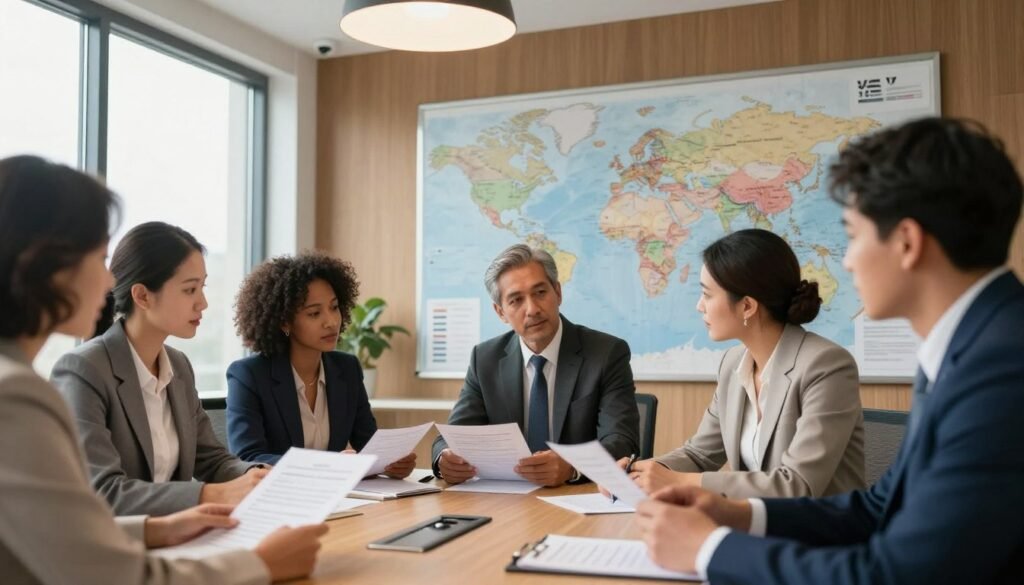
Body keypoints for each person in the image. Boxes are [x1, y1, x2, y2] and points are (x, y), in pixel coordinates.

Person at [635, 118, 1024, 585]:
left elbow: (898, 574)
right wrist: (736, 515)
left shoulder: (1002, 369)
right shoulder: (967, 347)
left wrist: (709, 548)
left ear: (906, 242)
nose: (846, 259)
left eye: (855, 235)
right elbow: (882, 506)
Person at [0, 154, 326, 584]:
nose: (106, 280)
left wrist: (159, 527)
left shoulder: (178, 367)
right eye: (98, 258)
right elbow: (106, 569)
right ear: (45, 265)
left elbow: (55, 530)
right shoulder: (21, 394)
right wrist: (260, 565)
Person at [604, 229, 864, 499]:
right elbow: (699, 454)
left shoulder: (826, 366)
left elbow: (797, 485)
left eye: (706, 294)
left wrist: (678, 481)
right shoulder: (732, 364)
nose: (699, 306)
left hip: (821, 533)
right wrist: (637, 472)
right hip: (756, 526)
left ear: (747, 307)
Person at [52, 222, 265, 516]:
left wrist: (262, 475)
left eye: (202, 287)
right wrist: (209, 494)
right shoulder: (83, 370)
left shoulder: (178, 366)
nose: (202, 303)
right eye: (190, 289)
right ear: (142, 296)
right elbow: (104, 492)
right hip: (117, 547)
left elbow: (212, 460)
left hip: (177, 536)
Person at [431, 244, 640, 487]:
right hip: (508, 502)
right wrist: (444, 459)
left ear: (558, 293)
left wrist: (571, 467)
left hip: (578, 498)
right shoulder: (485, 359)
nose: (532, 309)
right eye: (516, 300)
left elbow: (622, 441)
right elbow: (453, 436)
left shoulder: (606, 353)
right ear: (501, 312)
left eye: (540, 293)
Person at [226, 252, 414, 477]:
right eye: (314, 313)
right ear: (284, 321)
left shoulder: (347, 369)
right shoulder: (249, 375)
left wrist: (390, 462)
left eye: (334, 308)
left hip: (342, 500)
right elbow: (249, 457)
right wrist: (327, 464)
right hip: (280, 499)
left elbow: (367, 443)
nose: (331, 321)